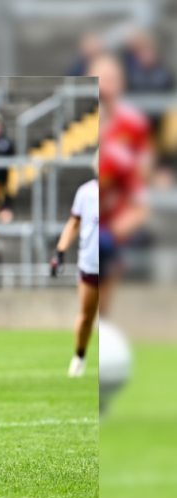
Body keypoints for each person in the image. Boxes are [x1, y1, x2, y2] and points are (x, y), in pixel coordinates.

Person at [87, 54, 151, 315]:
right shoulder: (84, 123)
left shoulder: (133, 125)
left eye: (112, 79)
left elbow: (142, 174)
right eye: (100, 78)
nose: (105, 85)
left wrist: (122, 223)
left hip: (116, 221)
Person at [50, 150, 100, 378]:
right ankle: (79, 355)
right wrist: (60, 251)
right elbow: (73, 223)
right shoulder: (86, 192)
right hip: (91, 263)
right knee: (87, 314)